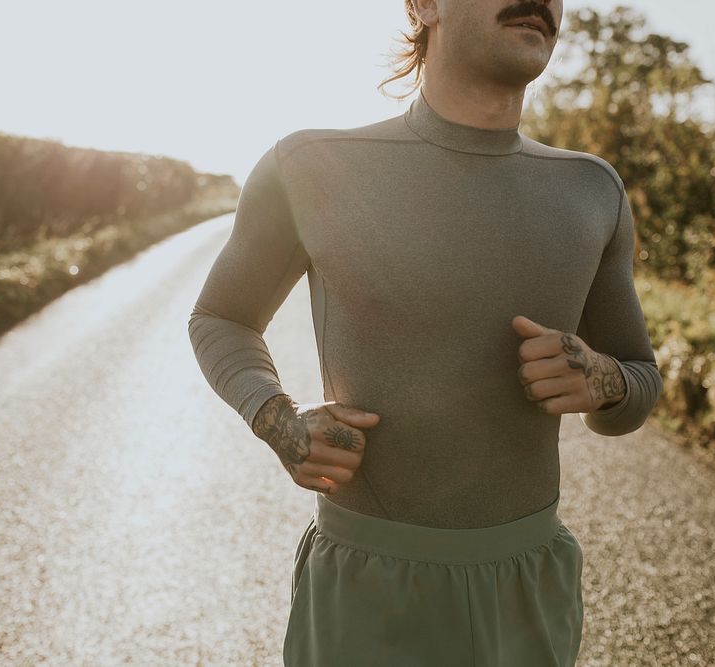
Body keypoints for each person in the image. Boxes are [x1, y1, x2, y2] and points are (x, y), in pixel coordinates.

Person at [187, 0, 663, 664]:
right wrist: (278, 417)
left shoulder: (593, 190)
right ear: (423, 5)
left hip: (527, 593)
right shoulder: (309, 165)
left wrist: (602, 378)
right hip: (368, 592)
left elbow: (641, 381)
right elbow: (222, 317)